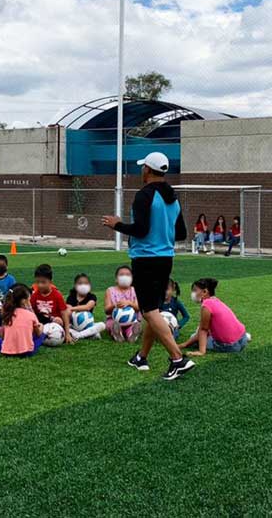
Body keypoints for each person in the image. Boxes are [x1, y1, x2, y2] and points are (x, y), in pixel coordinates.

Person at [102, 151, 195, 380]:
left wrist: (118, 225)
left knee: (149, 312)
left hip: (146, 259)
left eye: (143, 167)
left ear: (147, 170)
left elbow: (141, 230)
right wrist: (162, 235)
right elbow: (181, 233)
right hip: (165, 259)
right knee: (152, 310)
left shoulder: (144, 195)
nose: (141, 170)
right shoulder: (172, 198)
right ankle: (141, 356)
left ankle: (177, 358)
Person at [181, 278, 250, 355]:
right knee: (201, 332)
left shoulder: (206, 306)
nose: (192, 294)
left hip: (230, 346)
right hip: (243, 339)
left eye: (195, 290)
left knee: (195, 337)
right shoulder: (216, 300)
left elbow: (203, 330)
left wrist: (200, 351)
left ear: (204, 292)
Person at [0, 284, 45, 357]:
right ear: (24, 301)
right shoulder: (31, 314)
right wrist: (41, 327)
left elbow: (5, 336)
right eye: (28, 300)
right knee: (42, 335)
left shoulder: (7, 314)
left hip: (7, 352)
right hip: (27, 352)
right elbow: (38, 333)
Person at [29, 264, 73, 345]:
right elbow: (32, 313)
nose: (40, 285)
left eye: (43, 282)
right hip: (41, 324)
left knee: (58, 321)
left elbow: (64, 314)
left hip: (55, 324)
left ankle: (73, 333)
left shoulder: (57, 295)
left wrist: (67, 333)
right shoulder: (34, 296)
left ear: (51, 281)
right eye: (37, 282)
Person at [104, 265, 142, 343]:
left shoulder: (135, 290)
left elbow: (138, 308)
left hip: (132, 320)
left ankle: (131, 334)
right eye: (121, 275)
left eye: (128, 275)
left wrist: (130, 303)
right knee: (111, 325)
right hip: (114, 320)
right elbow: (107, 310)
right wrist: (115, 305)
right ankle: (118, 333)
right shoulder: (110, 290)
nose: (124, 277)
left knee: (133, 325)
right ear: (116, 279)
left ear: (132, 278)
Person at [65, 273, 105, 340]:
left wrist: (73, 308)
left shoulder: (92, 297)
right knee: (64, 327)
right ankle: (89, 334)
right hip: (73, 325)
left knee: (102, 325)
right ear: (75, 286)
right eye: (80, 283)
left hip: (88, 324)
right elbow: (67, 311)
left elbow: (88, 307)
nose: (83, 286)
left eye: (86, 283)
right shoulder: (71, 297)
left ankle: (78, 335)